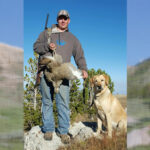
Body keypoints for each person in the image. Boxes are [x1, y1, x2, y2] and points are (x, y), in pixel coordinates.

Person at [33, 10, 88, 144]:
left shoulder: (73, 39)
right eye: (61, 18)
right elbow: (35, 47)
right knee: (47, 102)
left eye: (65, 18)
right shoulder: (46, 33)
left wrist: (83, 69)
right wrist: (47, 45)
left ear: (69, 21)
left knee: (63, 103)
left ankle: (63, 132)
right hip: (46, 73)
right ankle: (48, 129)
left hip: (63, 75)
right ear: (57, 19)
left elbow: (79, 56)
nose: (63, 20)